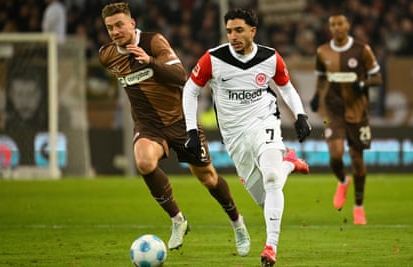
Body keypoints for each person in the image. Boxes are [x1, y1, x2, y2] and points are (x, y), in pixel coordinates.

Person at [98, 2, 251, 256]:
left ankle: (238, 223)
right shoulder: (107, 56)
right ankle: (178, 220)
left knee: (208, 178)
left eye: (119, 25)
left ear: (132, 24)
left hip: (181, 122)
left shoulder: (154, 42)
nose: (115, 32)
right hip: (148, 125)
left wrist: (149, 62)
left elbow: (181, 75)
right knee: (144, 162)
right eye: (109, 27)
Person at [182, 8, 312, 267]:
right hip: (233, 135)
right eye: (229, 31)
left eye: (239, 30)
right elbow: (190, 91)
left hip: (264, 120)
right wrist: (191, 131)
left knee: (272, 179)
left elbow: (286, 87)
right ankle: (289, 162)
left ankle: (270, 248)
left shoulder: (270, 58)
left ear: (253, 31)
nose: (233, 36)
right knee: (264, 198)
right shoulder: (212, 59)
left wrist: (300, 115)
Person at [309, 13, 382, 225]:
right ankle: (342, 180)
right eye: (333, 24)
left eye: (340, 23)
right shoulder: (322, 51)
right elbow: (322, 78)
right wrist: (316, 96)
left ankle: (359, 206)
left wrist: (364, 84)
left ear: (347, 25)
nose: (337, 27)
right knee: (336, 153)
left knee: (357, 159)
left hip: (357, 111)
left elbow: (377, 77)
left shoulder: (362, 50)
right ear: (330, 28)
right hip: (333, 110)